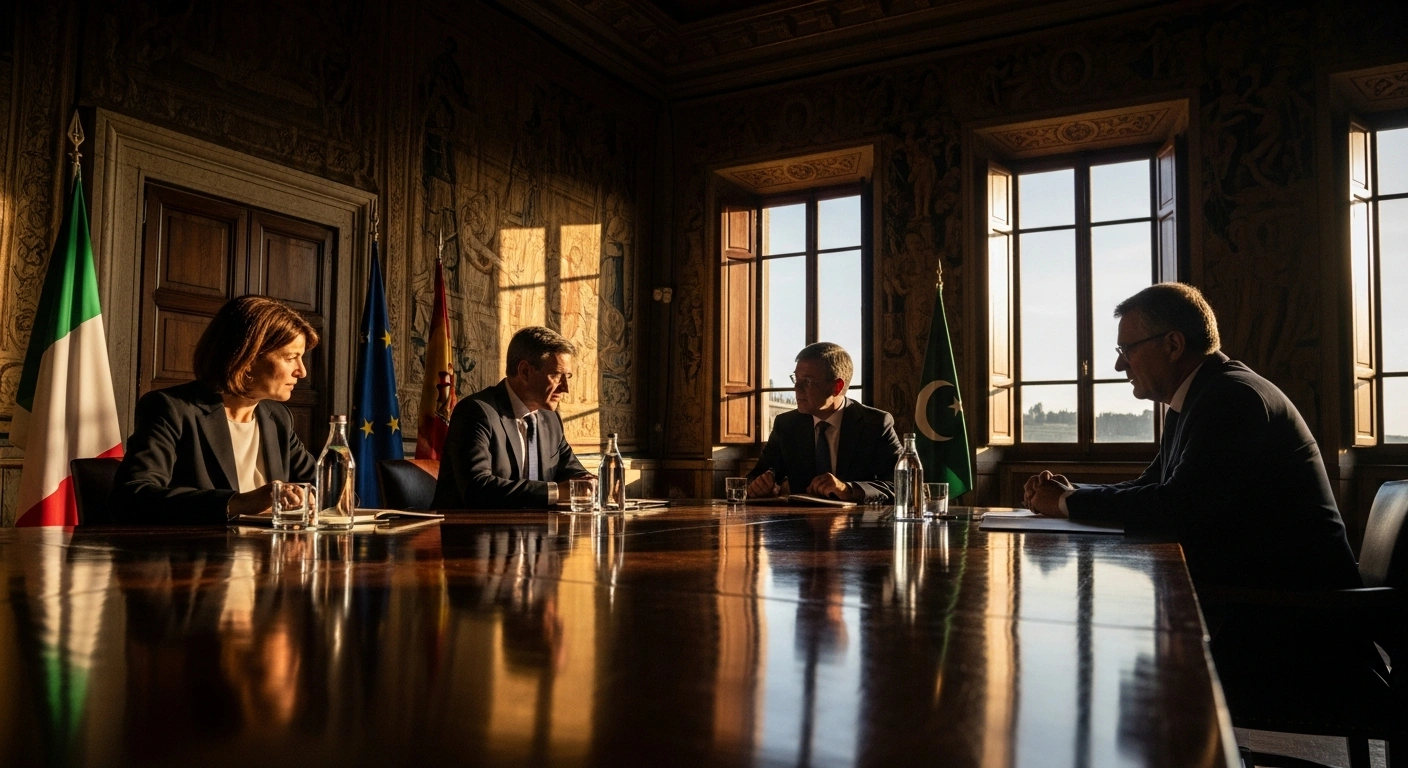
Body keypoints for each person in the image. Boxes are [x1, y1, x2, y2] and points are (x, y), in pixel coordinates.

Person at [1022, 283, 1359, 591]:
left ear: (1173, 345)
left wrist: (1067, 503)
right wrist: (1071, 492)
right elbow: (1153, 485)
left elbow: (1178, 508)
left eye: (1127, 349)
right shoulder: (1202, 395)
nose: (1118, 365)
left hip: (1293, 615)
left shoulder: (1231, 399)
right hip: (1251, 594)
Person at [111, 296, 319, 524]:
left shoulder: (277, 418)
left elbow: (326, 488)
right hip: (197, 555)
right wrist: (238, 502)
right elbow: (132, 496)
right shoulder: (171, 409)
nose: (302, 372)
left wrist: (311, 498)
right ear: (247, 358)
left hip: (273, 555)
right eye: (291, 358)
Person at [432, 326, 592, 509]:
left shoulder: (551, 419)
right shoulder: (475, 412)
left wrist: (592, 484)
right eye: (556, 376)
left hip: (535, 533)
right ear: (524, 371)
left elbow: (572, 472)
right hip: (470, 531)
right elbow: (476, 489)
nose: (565, 388)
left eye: (568, 377)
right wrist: (555, 492)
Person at [747, 342, 902, 503]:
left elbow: (902, 486)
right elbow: (755, 476)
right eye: (796, 378)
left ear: (837, 387)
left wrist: (848, 489)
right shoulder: (786, 425)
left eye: (807, 381)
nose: (796, 388)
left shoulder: (875, 424)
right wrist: (758, 486)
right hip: (798, 524)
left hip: (858, 524)